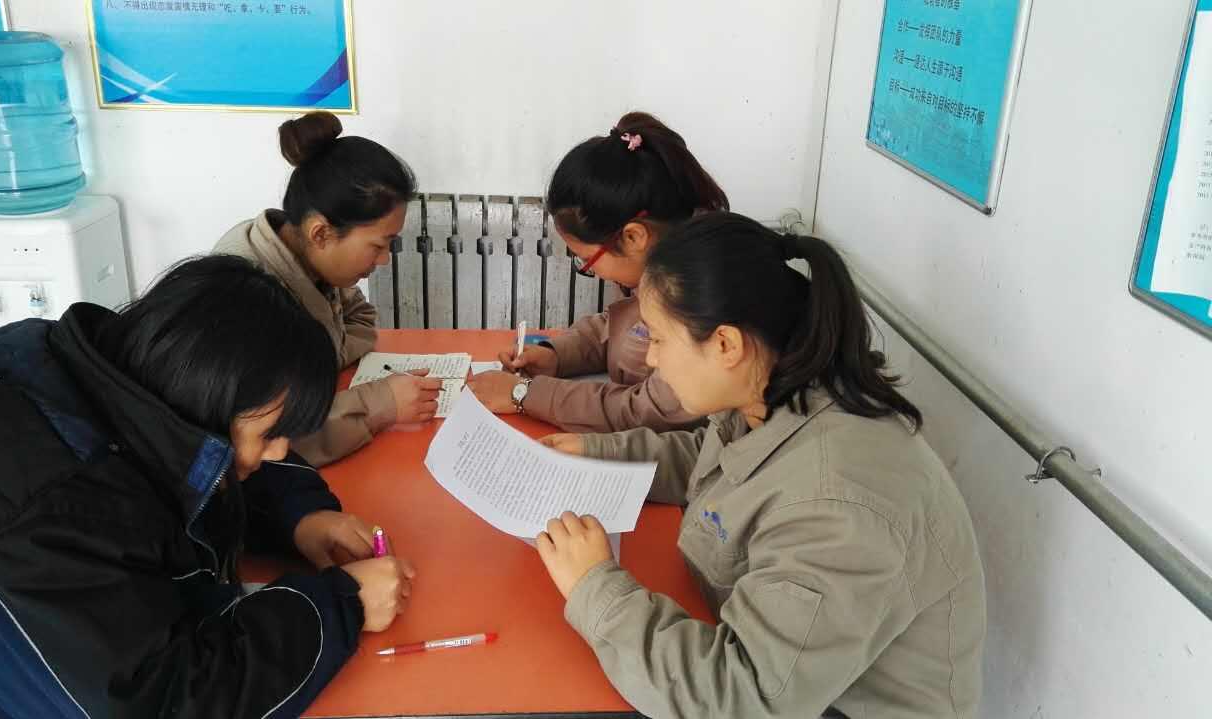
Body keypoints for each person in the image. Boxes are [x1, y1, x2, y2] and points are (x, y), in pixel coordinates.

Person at [535, 213, 986, 718]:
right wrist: (598, 454)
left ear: (726, 344)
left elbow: (741, 698)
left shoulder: (838, 508)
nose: (653, 360)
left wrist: (595, 587)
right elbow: (714, 460)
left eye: (659, 339)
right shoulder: (776, 392)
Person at [0, 256, 415, 718]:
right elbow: (162, 701)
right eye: (271, 434)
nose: (278, 452)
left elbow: (197, 458)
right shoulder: (41, 519)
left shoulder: (113, 374)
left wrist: (301, 515)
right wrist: (341, 605)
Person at [467, 111, 726, 433]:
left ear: (633, 237)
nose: (593, 271)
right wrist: (557, 356)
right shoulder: (661, 265)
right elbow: (620, 328)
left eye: (587, 260)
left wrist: (525, 394)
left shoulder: (706, 293)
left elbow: (650, 410)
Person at [217, 110, 441, 466]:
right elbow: (259, 440)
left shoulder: (305, 254)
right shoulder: (245, 295)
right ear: (320, 233)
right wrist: (379, 403)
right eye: (378, 245)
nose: (384, 260)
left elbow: (360, 316)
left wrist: (321, 366)